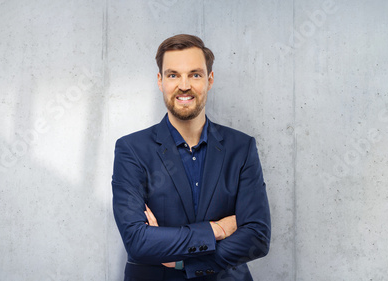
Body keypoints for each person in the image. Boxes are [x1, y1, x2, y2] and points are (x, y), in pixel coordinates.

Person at [112, 34, 271, 281]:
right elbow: (137, 240)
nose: (184, 85)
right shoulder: (131, 149)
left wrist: (182, 263)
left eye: (195, 74)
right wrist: (216, 229)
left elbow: (257, 236)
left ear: (210, 80)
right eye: (173, 75)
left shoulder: (242, 147)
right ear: (160, 81)